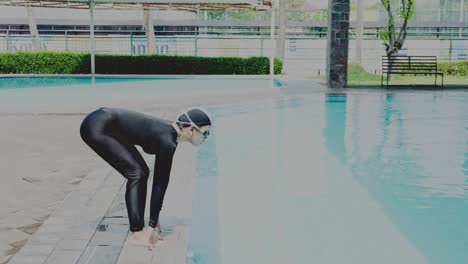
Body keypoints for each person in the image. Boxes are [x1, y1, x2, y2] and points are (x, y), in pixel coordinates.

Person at [79, 106, 211, 250]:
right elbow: (160, 184)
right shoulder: (168, 140)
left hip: (102, 121)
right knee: (137, 173)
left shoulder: (168, 133)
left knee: (141, 171)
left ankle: (139, 230)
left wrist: (155, 220)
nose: (206, 137)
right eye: (205, 132)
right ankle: (137, 234)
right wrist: (151, 227)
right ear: (192, 129)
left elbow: (160, 183)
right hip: (97, 125)